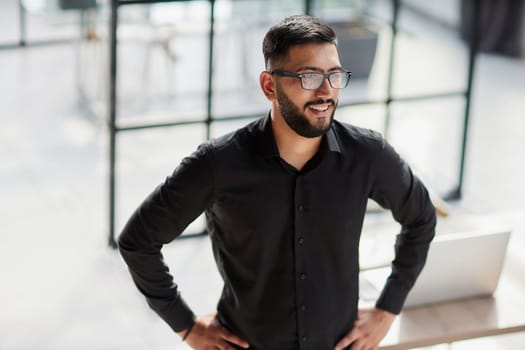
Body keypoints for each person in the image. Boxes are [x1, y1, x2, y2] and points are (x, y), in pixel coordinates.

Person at [119, 15, 436, 350]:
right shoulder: (218, 164)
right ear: (270, 85)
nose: (327, 91)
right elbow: (138, 241)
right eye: (310, 76)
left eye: (334, 75)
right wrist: (186, 326)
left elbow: (421, 218)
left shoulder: (368, 154)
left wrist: (387, 309)